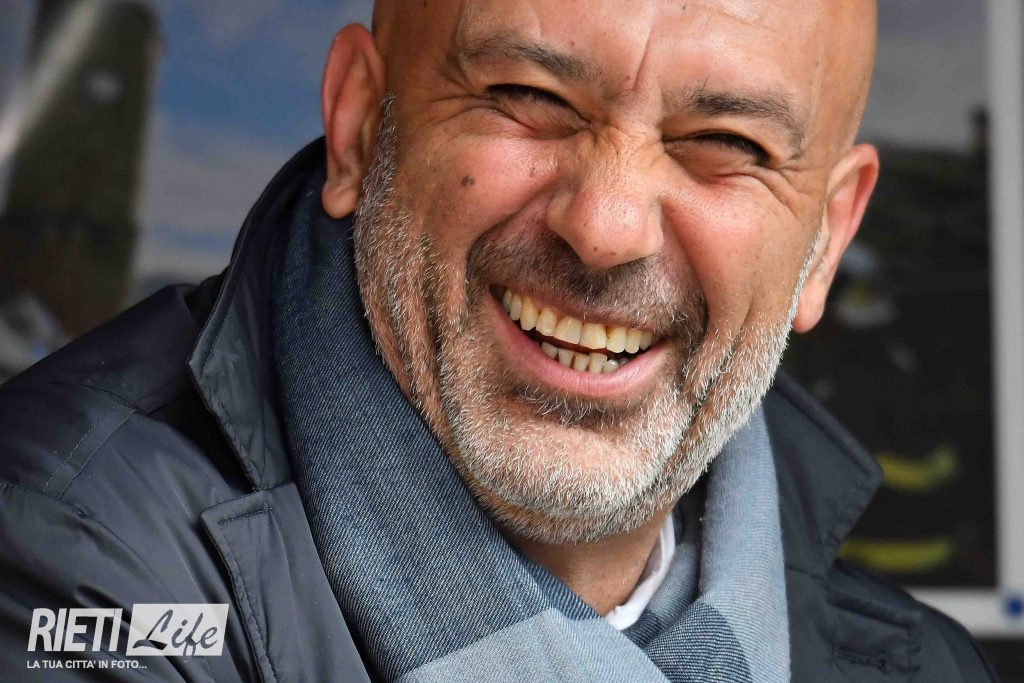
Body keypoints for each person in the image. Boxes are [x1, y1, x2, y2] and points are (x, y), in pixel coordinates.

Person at [0, 0, 999, 681]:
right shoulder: (65, 558)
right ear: (359, 125)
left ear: (826, 239)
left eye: (727, 144)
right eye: (530, 97)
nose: (605, 227)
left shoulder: (922, 665)